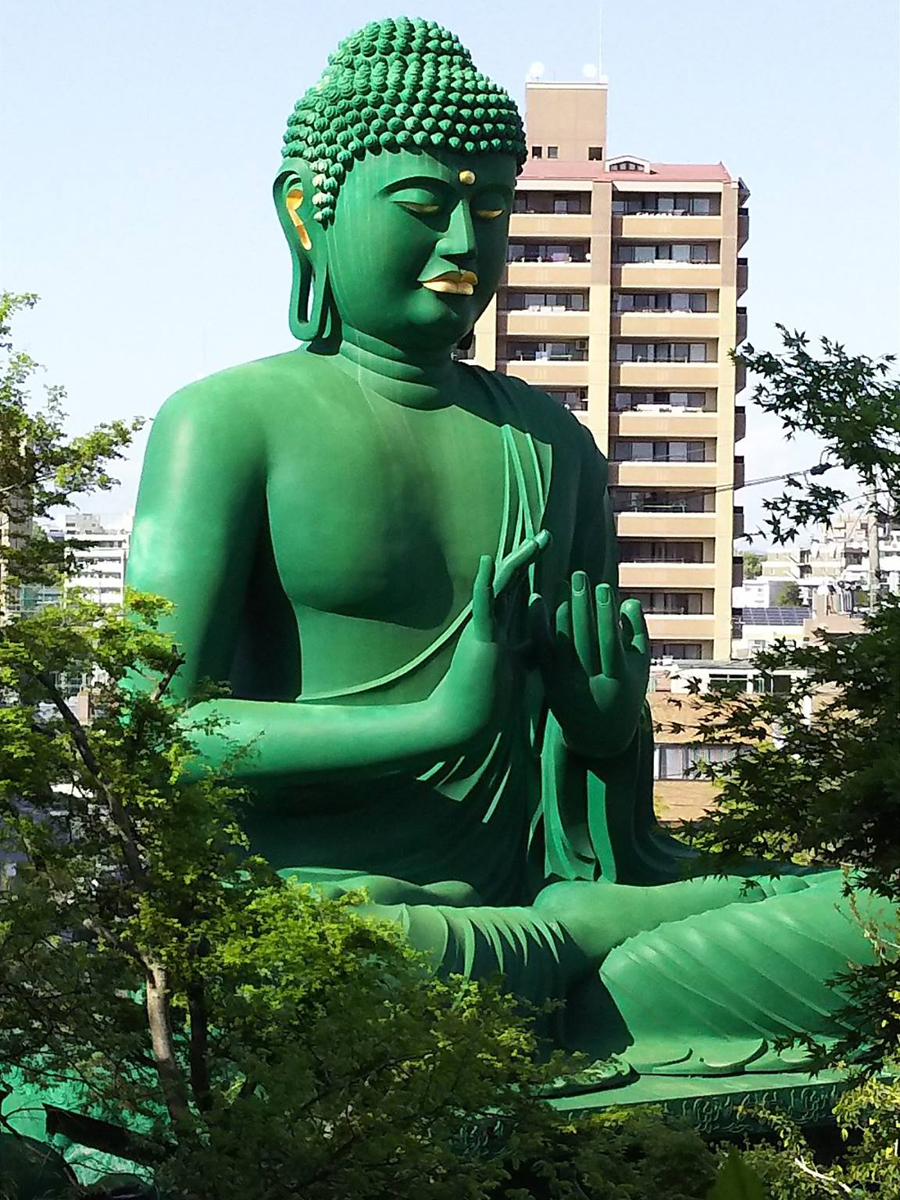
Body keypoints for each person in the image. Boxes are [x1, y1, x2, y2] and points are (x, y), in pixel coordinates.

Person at [126, 17, 879, 1094]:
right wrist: (434, 722)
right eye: (426, 209)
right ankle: (578, 952)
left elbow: (590, 780)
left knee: (869, 921)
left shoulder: (552, 442)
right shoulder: (226, 421)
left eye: (490, 212)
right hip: (330, 923)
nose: (462, 250)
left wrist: (606, 723)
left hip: (526, 900)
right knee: (357, 967)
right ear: (307, 210)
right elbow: (165, 740)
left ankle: (578, 949)